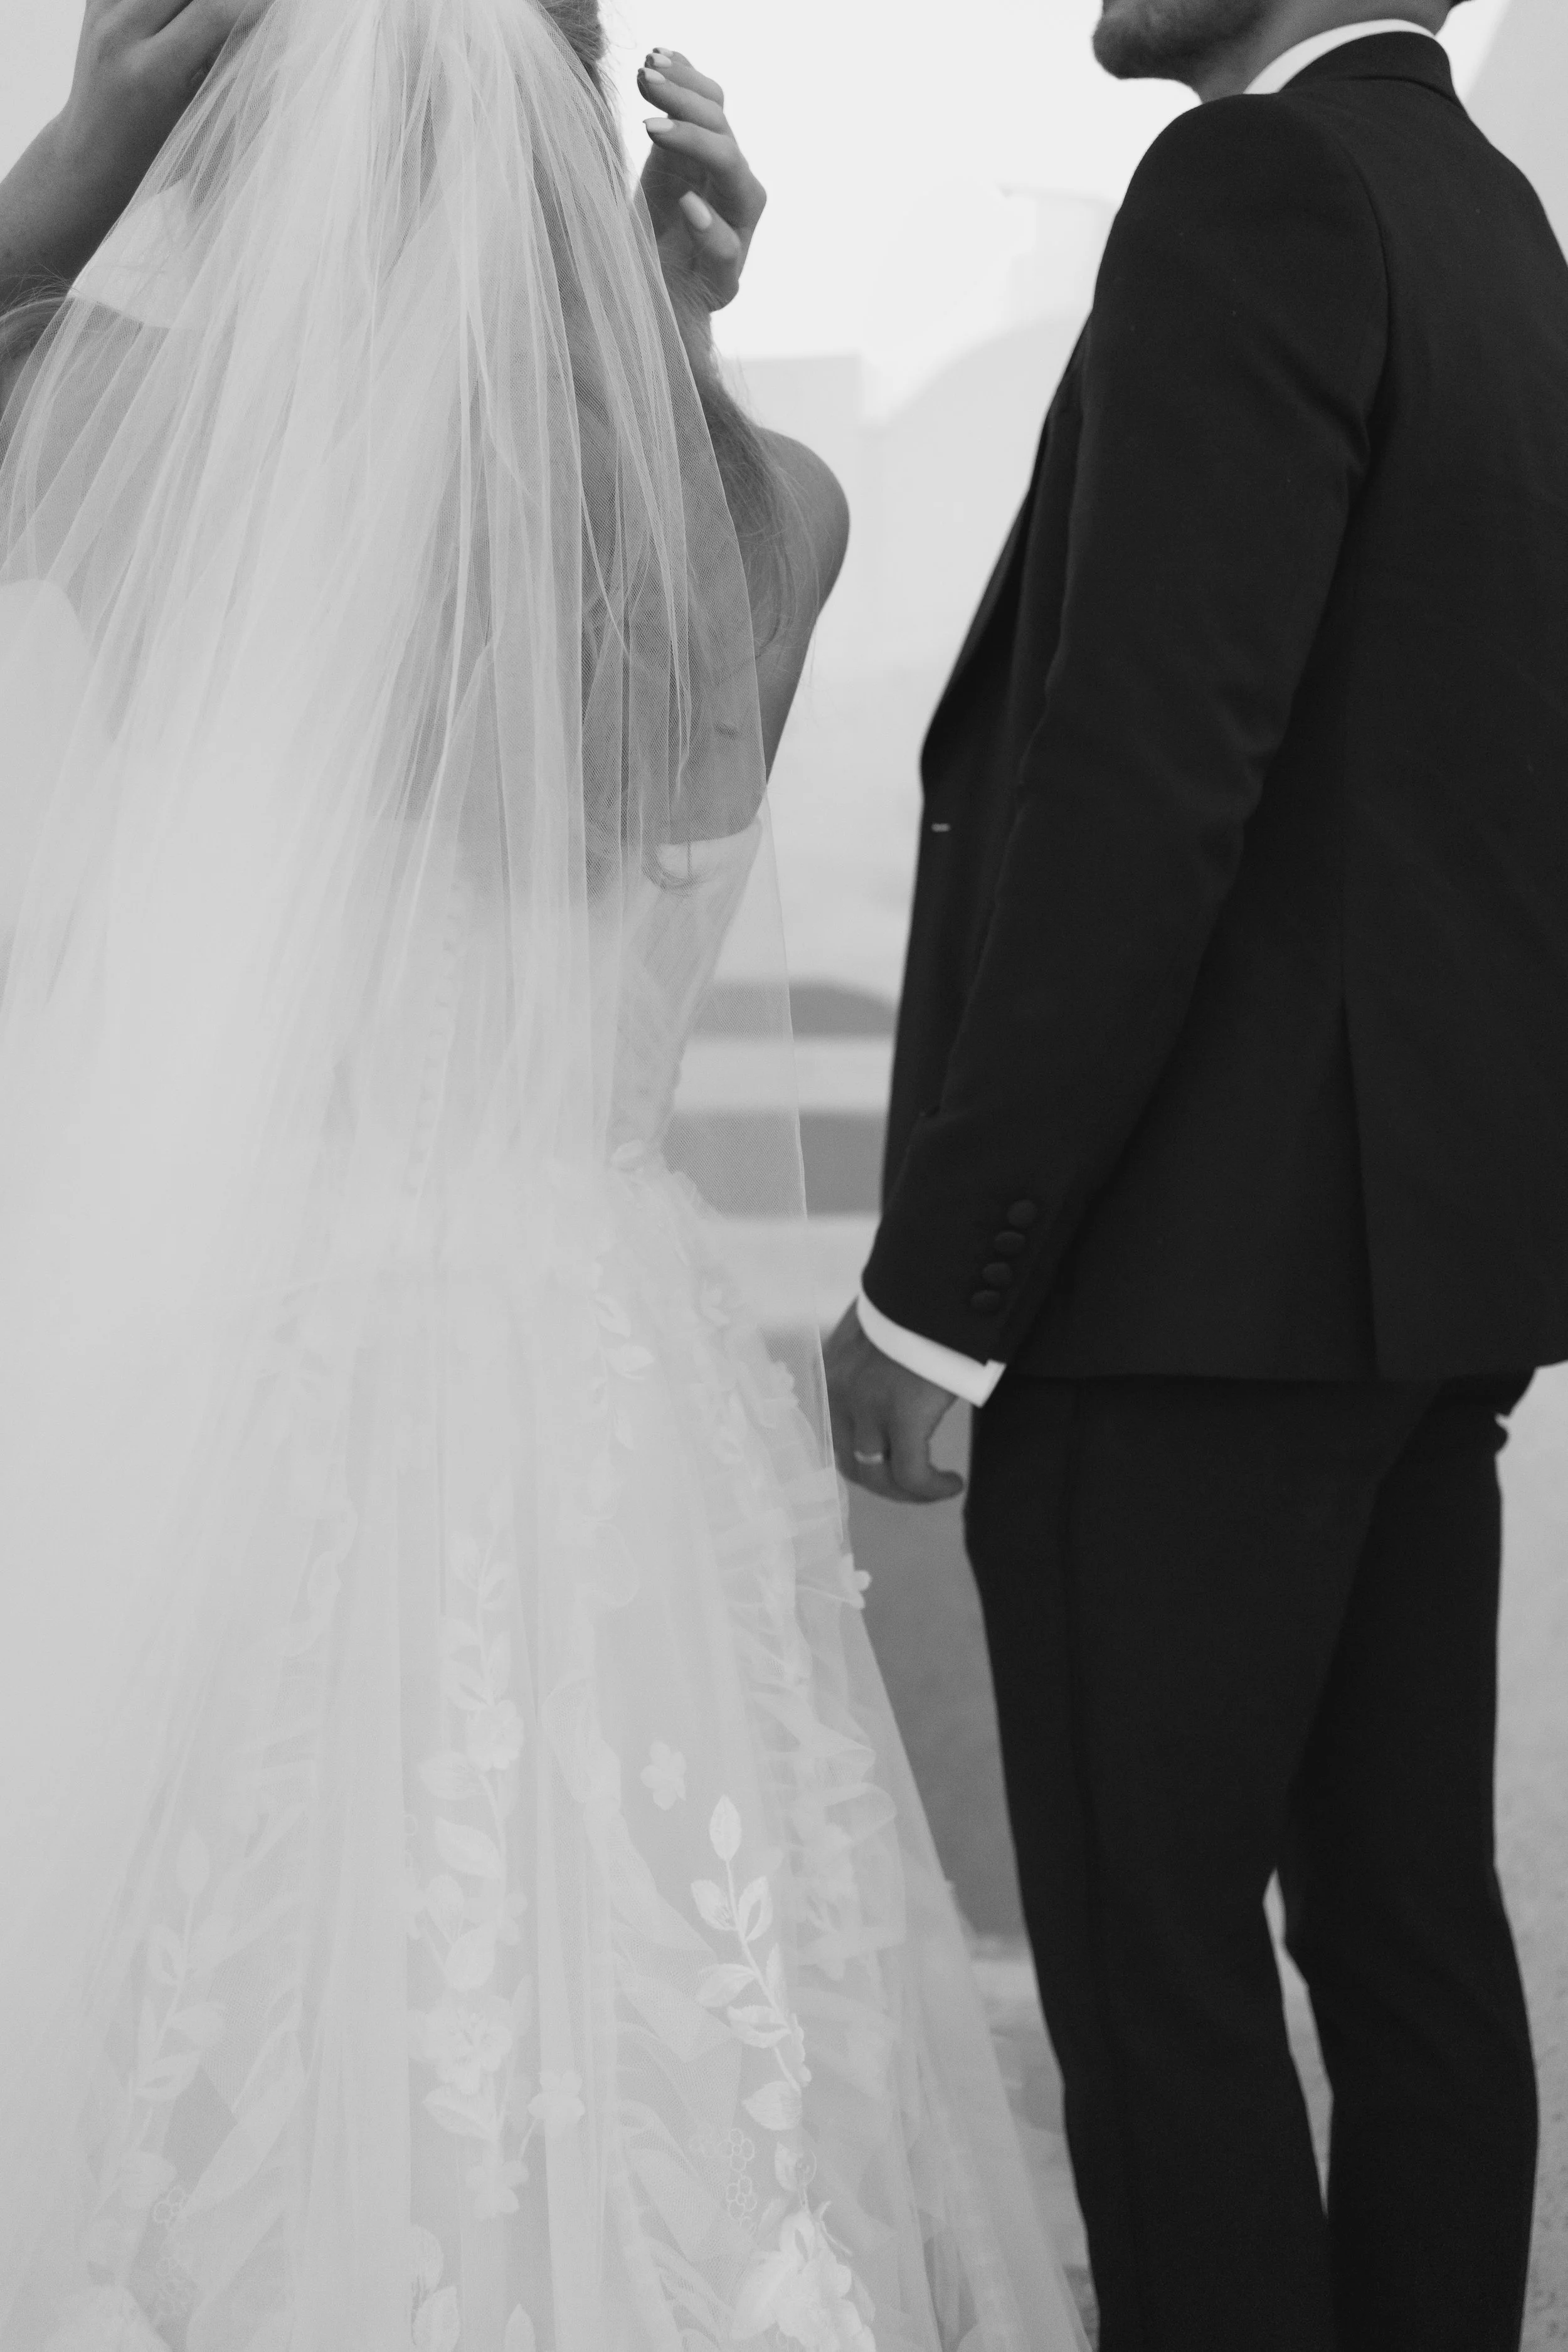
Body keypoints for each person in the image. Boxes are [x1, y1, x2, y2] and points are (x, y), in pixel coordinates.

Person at [0, 5, 1091, 2349]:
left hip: (259, 1374)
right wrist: (665, 333)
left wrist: (83, 151)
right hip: (604, 1382)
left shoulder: (161, 454)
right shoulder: (769, 511)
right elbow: (566, 576)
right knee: (651, 1998)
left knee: (251, 1982)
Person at [826, 1, 1568, 2346]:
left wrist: (940, 1287)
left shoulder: (1246, 195)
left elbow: (1146, 783)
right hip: (1411, 1284)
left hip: (1185, 1296)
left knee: (1159, 1983)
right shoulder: (1489, 220)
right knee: (1409, 1935)